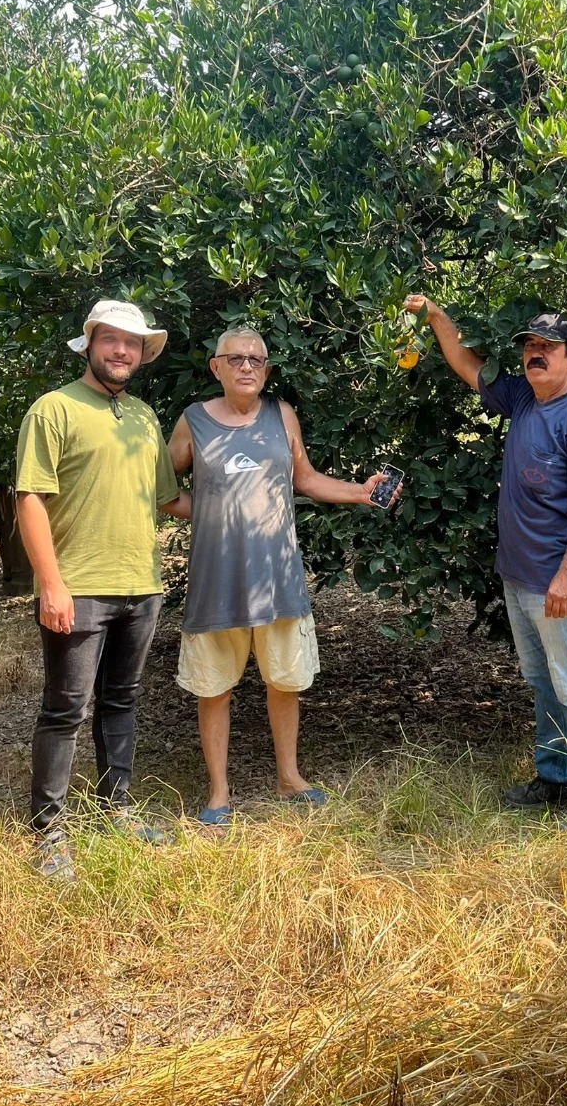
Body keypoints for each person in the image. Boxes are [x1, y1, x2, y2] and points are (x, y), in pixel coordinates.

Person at [168, 328, 399, 826]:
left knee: (284, 682)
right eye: (236, 358)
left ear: (267, 369)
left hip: (278, 580)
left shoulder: (282, 415)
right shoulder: (192, 423)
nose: (247, 366)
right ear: (216, 367)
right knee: (214, 689)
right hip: (217, 582)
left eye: (256, 359)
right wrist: (212, 514)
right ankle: (218, 793)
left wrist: (361, 491)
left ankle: (289, 777)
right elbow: (163, 492)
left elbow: (306, 479)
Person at [403, 296, 567, 820]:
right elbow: (468, 365)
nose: (536, 354)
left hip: (559, 582)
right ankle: (554, 775)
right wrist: (435, 316)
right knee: (543, 681)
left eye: (548, 347)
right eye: (530, 346)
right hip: (520, 577)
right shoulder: (524, 399)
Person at [16, 299, 190, 880]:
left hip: (142, 585)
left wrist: (245, 499)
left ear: (142, 354)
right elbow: (31, 499)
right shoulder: (54, 409)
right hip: (79, 587)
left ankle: (114, 812)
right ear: (90, 344)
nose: (122, 351)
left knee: (122, 701)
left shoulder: (143, 416)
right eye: (111, 340)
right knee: (65, 709)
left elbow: (169, 500)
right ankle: (48, 833)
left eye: (133, 343)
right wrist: (51, 585)